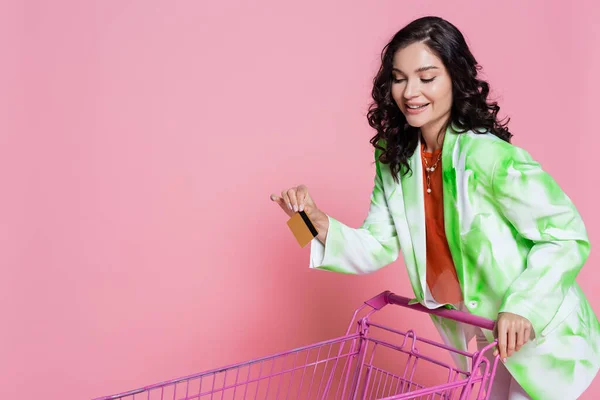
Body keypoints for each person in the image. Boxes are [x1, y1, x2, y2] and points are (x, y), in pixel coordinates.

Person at [270, 16, 599, 400]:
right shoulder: (394, 158)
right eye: (399, 77)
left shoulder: (491, 157)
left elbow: (568, 235)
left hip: (542, 334)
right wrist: (308, 224)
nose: (410, 91)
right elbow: (377, 246)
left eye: (426, 78)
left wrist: (524, 306)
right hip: (482, 334)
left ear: (455, 80)